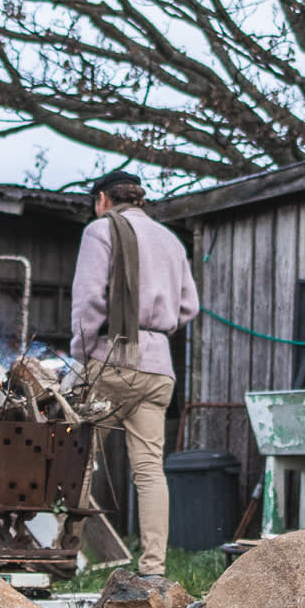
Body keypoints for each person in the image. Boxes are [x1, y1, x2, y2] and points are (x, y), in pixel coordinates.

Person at [69, 170, 199, 575]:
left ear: (103, 200)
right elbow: (188, 307)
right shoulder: (170, 240)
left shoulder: (100, 230)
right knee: (148, 469)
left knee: (75, 459)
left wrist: (80, 358)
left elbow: (89, 302)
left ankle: (67, 555)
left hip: (113, 359)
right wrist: (156, 329)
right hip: (159, 366)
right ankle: (154, 568)